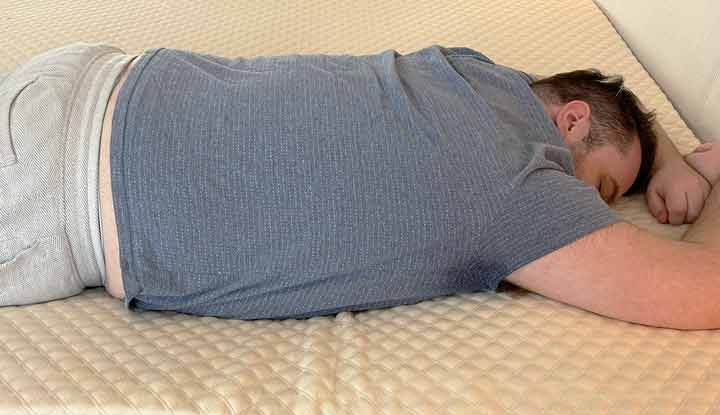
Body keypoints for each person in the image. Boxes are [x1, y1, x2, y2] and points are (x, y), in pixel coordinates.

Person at [1, 43, 718, 329]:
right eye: (598, 186)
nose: (588, 212)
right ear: (569, 120)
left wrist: (663, 161)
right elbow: (706, 291)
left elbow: (604, 111)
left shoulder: (460, 67)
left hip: (86, 77)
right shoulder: (523, 185)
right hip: (60, 190)